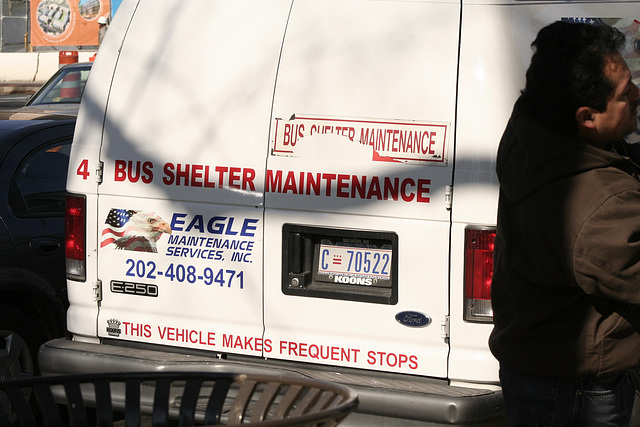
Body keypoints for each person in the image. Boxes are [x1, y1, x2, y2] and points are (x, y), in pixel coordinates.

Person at [489, 21, 640, 426]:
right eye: (626, 94)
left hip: (537, 366)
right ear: (587, 117)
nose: (638, 96)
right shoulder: (600, 204)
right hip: (578, 393)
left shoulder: (531, 124)